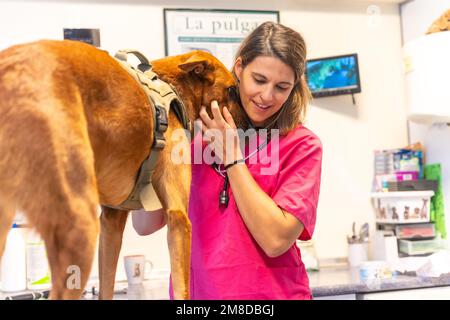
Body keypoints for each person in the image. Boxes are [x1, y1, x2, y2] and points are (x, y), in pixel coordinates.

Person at [132, 21, 322, 300]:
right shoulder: (191, 141)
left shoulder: (302, 145)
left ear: (294, 87)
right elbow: (145, 224)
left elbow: (276, 240)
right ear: (239, 68)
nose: (267, 96)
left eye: (282, 87)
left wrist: (232, 157)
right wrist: (151, 142)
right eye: (259, 80)